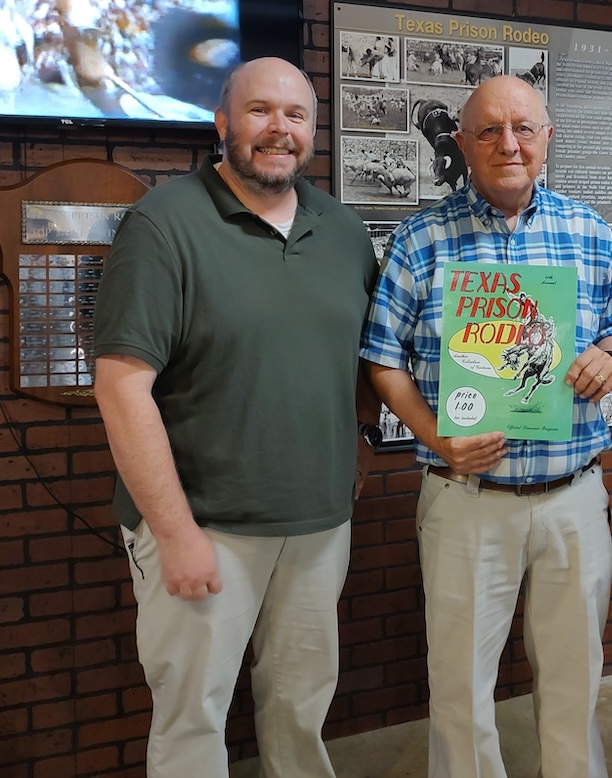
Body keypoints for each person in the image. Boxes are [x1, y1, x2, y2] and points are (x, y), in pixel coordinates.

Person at [93, 57, 380, 778]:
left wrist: (364, 434)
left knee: (301, 707)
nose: (278, 129)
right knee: (193, 718)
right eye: (259, 111)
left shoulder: (342, 232)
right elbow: (122, 387)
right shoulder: (162, 224)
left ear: (312, 133)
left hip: (318, 528)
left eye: (295, 115)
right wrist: (176, 532)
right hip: (204, 528)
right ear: (222, 123)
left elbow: (366, 358)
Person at [360, 75, 612, 778]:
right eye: (487, 130)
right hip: (466, 498)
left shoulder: (590, 231)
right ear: (461, 144)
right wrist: (433, 436)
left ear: (549, 139)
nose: (507, 143)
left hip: (574, 495)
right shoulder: (420, 239)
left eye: (522, 128)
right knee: (459, 687)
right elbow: (383, 360)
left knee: (575, 680)